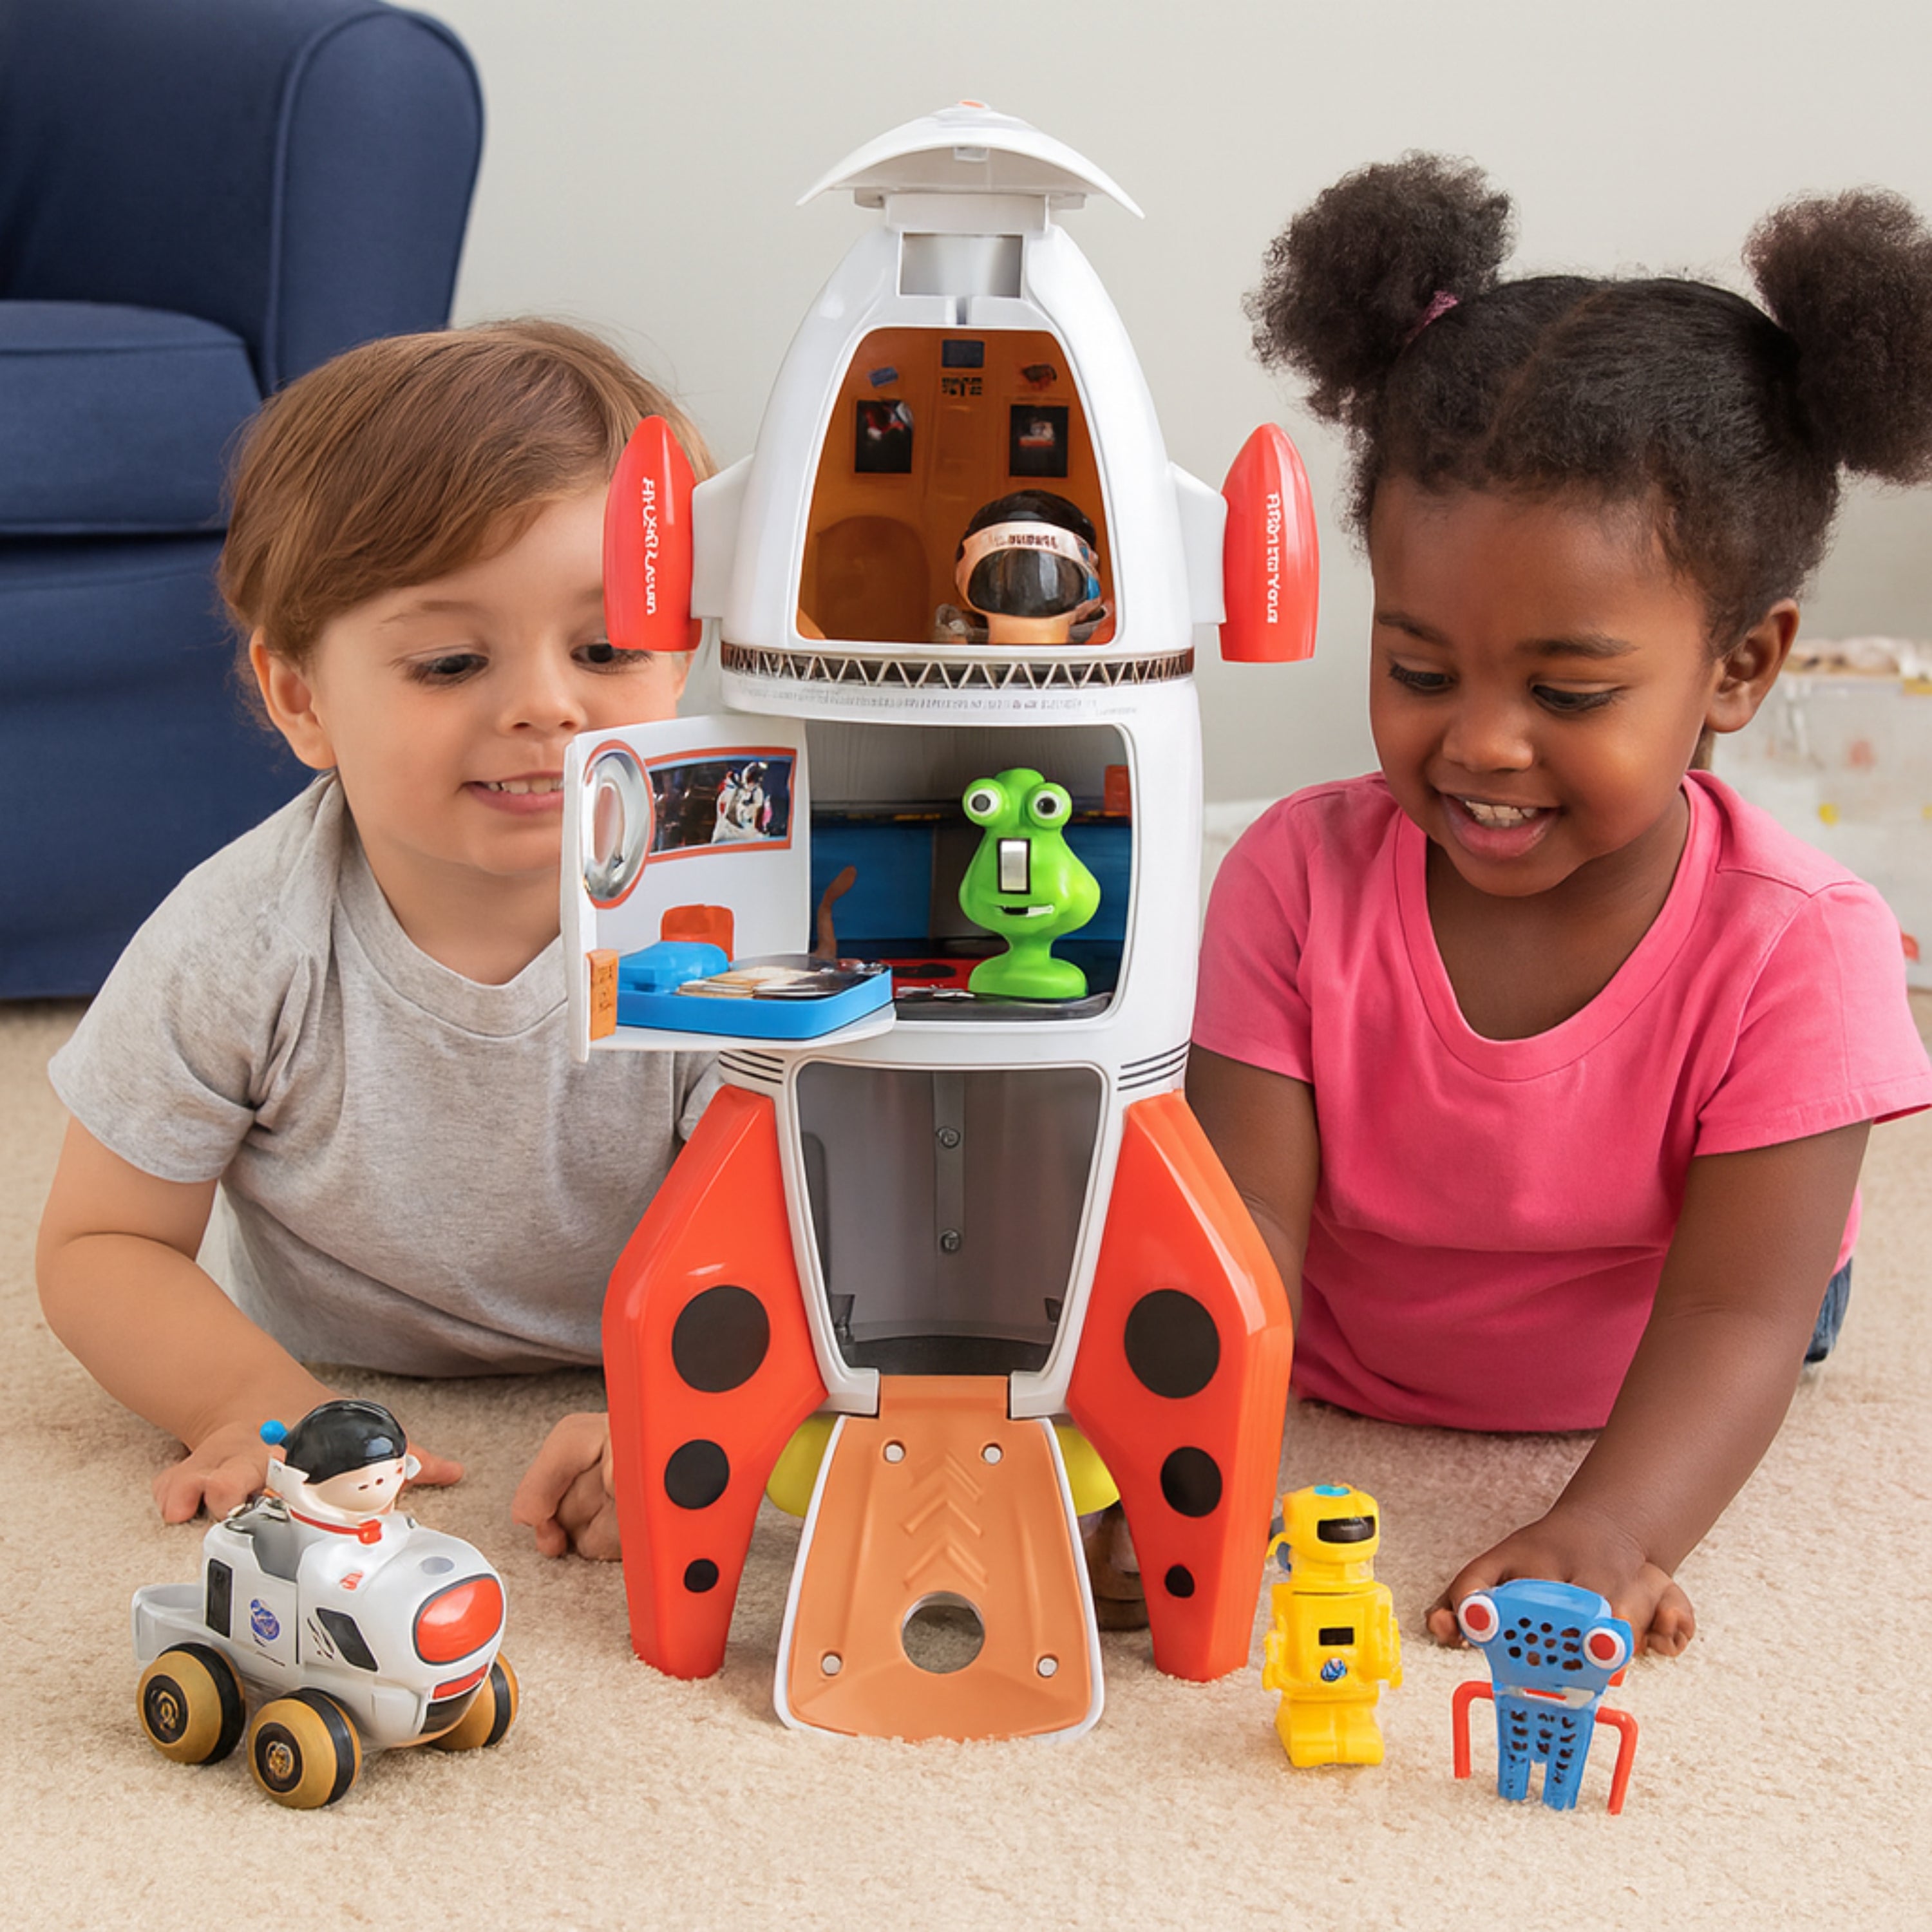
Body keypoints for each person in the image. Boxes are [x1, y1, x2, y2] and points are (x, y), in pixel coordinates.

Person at [1189, 156, 1932, 1656]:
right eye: (1417, 670)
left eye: (1570, 690)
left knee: (1777, 1315)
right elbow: (1240, 1225)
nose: (1480, 744)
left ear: (1740, 666)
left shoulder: (1804, 945)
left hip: (1688, 1327)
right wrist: (1191, 1470)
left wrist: (1612, 1527)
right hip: (1350, 1330)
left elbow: (1737, 1314)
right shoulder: (1288, 876)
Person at [36, 321, 714, 1561]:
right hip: (340, 1358)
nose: (547, 706)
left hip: (646, 1346)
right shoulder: (241, 938)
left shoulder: (716, 912)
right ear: (302, 698)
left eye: (608, 649)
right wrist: (247, 1403)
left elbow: (802, 1217)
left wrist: (694, 1406)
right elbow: (101, 1243)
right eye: (453, 660)